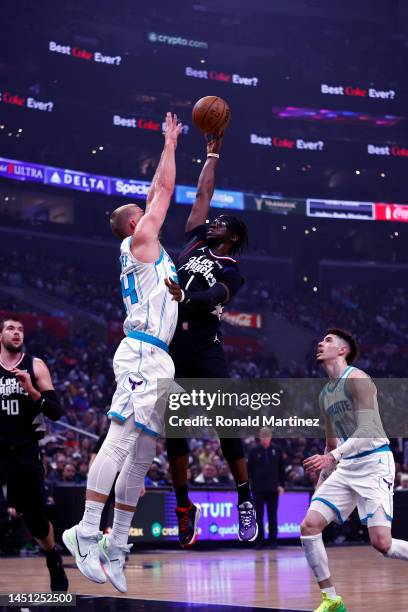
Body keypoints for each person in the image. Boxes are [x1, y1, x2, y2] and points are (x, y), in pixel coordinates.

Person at [62, 112, 182, 593]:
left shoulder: (147, 247)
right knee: (120, 438)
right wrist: (172, 147)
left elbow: (155, 191)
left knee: (143, 454)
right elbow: (166, 193)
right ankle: (85, 530)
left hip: (158, 357)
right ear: (135, 223)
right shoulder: (141, 240)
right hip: (140, 353)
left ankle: (117, 547)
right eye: (145, 209)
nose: (151, 208)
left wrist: (163, 145)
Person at [164, 131, 257, 548]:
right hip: (173, 348)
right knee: (174, 433)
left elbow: (218, 297)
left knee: (226, 423)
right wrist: (212, 153)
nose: (213, 221)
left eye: (221, 223)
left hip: (205, 347)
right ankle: (185, 505)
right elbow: (203, 191)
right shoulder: (194, 239)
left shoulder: (231, 267)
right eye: (213, 219)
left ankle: (244, 497)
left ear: (232, 236)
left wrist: (186, 295)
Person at [300, 328, 408, 612]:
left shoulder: (358, 379)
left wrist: (332, 457)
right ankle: (331, 599)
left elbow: (368, 428)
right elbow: (330, 446)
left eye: (328, 341)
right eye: (320, 339)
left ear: (342, 350)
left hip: (374, 462)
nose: (320, 343)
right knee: (309, 527)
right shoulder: (325, 394)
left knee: (382, 544)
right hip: (347, 466)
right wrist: (321, 483)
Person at [0, 317, 68, 591]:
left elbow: (55, 411)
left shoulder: (35, 365)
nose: (16, 333)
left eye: (20, 329)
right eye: (10, 328)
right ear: (0, 335)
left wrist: (31, 389)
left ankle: (53, 557)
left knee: (37, 523)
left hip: (25, 450)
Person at [248, 428, 285, 549]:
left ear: (270, 436)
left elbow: (281, 469)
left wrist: (282, 485)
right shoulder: (254, 451)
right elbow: (249, 470)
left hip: (273, 488)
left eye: (267, 435)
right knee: (258, 516)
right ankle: (259, 541)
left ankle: (273, 541)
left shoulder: (277, 450)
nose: (265, 438)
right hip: (258, 489)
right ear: (259, 436)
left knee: (272, 516)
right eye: (263, 436)